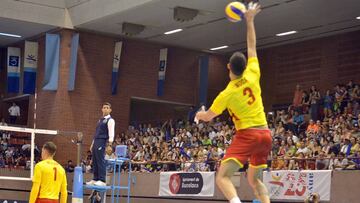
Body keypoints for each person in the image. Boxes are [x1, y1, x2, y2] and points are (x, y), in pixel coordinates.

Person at [195, 2, 271, 203]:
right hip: (265, 133)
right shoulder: (254, 74)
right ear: (245, 66)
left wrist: (199, 114)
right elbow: (252, 46)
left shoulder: (226, 93)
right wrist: (250, 20)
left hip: (248, 134)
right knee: (254, 180)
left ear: (228, 66)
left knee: (223, 176)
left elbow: (209, 116)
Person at [87, 102, 115, 186]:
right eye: (104, 107)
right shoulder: (100, 120)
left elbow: (111, 132)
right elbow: (96, 133)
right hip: (96, 141)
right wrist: (92, 144)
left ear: (110, 110)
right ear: (102, 109)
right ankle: (95, 179)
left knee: (100, 160)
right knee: (94, 160)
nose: (105, 109)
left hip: (102, 141)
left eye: (107, 107)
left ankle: (102, 180)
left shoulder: (110, 120)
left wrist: (110, 144)